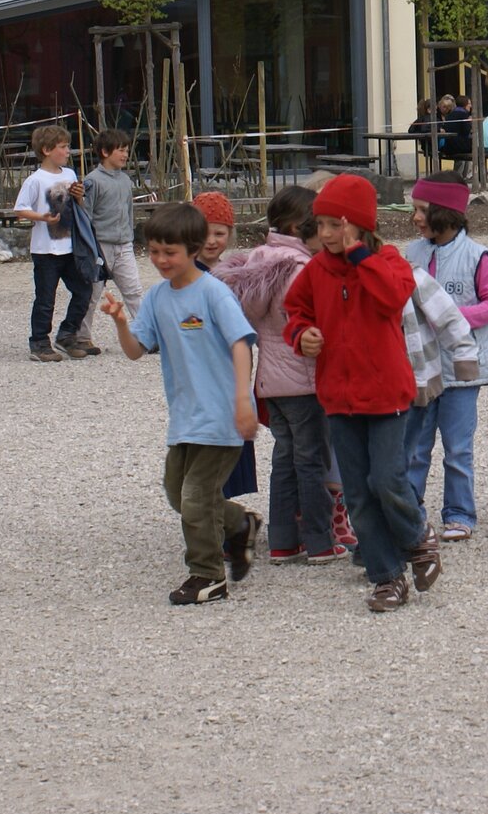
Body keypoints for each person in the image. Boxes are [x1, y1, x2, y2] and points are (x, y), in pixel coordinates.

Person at [282, 174, 437, 613]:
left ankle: (417, 538)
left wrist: (359, 257)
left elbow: (392, 299)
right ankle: (387, 577)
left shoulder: (389, 261)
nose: (325, 235)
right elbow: (294, 310)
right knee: (358, 495)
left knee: (386, 481)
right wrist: (301, 334)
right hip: (338, 398)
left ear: (359, 226)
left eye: (336, 225)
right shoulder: (315, 269)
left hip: (386, 395)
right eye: (321, 225)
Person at [99, 202, 261, 606]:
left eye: (169, 252)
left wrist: (244, 400)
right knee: (178, 494)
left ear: (193, 248)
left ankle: (207, 575)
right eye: (153, 251)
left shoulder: (213, 293)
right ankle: (241, 523)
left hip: (221, 415)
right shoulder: (156, 298)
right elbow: (137, 350)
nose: (160, 260)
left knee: (194, 498)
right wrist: (121, 322)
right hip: (185, 416)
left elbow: (242, 343)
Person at [213, 181, 348, 566]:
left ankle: (284, 541)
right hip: (304, 381)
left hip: (271, 380)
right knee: (312, 462)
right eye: (319, 224)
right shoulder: (302, 267)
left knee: (285, 460)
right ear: (298, 228)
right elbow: (311, 319)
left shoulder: (258, 260)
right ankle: (320, 541)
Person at [404, 176, 488, 542]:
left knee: (457, 447)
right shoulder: (411, 254)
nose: (414, 216)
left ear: (443, 212)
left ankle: (460, 513)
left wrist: (450, 316)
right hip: (422, 367)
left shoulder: (477, 255)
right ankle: (409, 514)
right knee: (415, 447)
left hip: (463, 371)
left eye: (420, 209)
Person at [193, 191, 259, 504]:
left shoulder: (234, 274)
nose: (211, 240)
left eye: (219, 233)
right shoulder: (185, 275)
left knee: (231, 439)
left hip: (233, 369)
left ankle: (222, 510)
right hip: (202, 372)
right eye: (204, 232)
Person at [14, 123, 89, 364]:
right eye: (63, 147)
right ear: (47, 150)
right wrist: (41, 217)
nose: (68, 151)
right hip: (46, 250)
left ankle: (67, 333)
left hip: (70, 246)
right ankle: (39, 342)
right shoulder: (35, 180)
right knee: (46, 298)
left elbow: (79, 205)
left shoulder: (70, 175)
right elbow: (20, 209)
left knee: (84, 290)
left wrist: (79, 196)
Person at [78, 128, 141, 356]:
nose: (125, 155)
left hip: (123, 244)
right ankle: (83, 337)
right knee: (92, 294)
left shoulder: (126, 180)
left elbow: (129, 211)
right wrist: (89, 246)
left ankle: (146, 334)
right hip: (99, 245)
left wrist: (130, 237)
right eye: (121, 150)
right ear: (105, 152)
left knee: (133, 290)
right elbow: (87, 214)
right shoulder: (92, 181)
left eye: (127, 150)